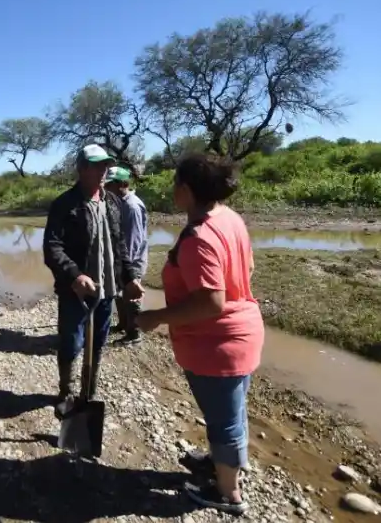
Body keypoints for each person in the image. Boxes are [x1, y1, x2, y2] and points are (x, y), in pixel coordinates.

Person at [135, 153, 264, 516]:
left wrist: (157, 317)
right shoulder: (230, 218)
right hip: (243, 332)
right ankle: (224, 460)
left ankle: (228, 493)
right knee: (230, 410)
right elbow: (247, 267)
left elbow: (210, 302)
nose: (172, 189)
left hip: (218, 344)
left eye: (176, 183)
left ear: (187, 190)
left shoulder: (199, 238)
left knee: (225, 418)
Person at [43, 144, 145, 406]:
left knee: (98, 343)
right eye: (97, 165)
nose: (104, 170)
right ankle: (66, 390)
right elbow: (52, 248)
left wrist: (131, 276)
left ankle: (89, 392)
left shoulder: (111, 202)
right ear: (82, 168)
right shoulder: (65, 204)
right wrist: (75, 275)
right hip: (75, 291)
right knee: (71, 343)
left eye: (106, 165)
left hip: (106, 289)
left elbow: (120, 244)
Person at [104, 166, 149, 345]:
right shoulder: (118, 202)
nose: (107, 188)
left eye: (111, 184)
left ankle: (135, 334)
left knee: (131, 295)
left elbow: (133, 239)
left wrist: (126, 268)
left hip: (132, 260)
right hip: (122, 259)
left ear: (123, 184)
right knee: (119, 294)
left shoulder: (132, 206)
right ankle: (123, 324)